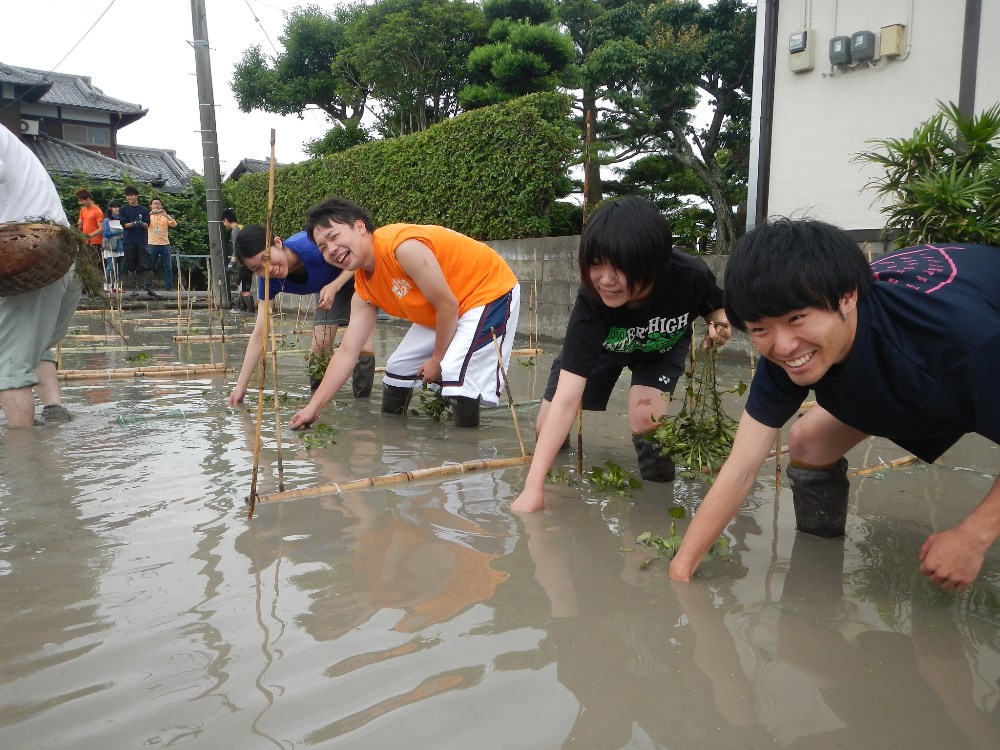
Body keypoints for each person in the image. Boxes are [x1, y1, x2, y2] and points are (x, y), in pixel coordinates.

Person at [669, 218, 1000, 593]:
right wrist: (682, 569)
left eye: (797, 319)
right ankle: (819, 563)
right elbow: (741, 468)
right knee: (809, 440)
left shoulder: (961, 341)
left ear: (848, 296)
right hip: (909, 359)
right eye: (760, 329)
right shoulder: (783, 352)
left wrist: (973, 536)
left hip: (963, 344)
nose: (784, 346)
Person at [511, 197, 730, 513]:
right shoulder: (592, 300)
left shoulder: (690, 275)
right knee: (546, 428)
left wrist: (720, 326)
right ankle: (557, 485)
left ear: (653, 262)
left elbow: (716, 308)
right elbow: (567, 398)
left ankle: (657, 500)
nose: (606, 279)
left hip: (659, 346)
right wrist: (533, 489)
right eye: (596, 263)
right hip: (605, 347)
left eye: (620, 266)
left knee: (647, 416)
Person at [288, 196, 520, 430]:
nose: (332, 250)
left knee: (453, 370)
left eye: (334, 236)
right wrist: (314, 407)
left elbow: (446, 305)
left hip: (486, 291)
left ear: (359, 227)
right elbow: (348, 351)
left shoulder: (401, 248)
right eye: (323, 248)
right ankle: (394, 445)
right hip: (447, 307)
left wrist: (437, 360)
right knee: (397, 368)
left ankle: (467, 452)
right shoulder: (363, 289)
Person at [227, 225, 376, 406]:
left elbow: (359, 255)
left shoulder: (311, 246)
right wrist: (241, 386)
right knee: (319, 346)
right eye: (258, 268)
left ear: (278, 242)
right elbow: (260, 332)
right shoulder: (267, 282)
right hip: (326, 290)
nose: (268, 269)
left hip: (356, 276)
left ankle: (362, 406)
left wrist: (335, 285)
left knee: (362, 345)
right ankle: (319, 403)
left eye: (266, 258)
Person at [0, 125, 81, 427]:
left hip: (25, 256)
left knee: (10, 367)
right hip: (61, 257)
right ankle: (53, 409)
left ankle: (24, 458)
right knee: (37, 345)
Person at [118, 185, 159, 300]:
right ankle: (134, 289)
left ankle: (150, 289)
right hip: (129, 241)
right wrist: (134, 223)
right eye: (128, 196)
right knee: (131, 265)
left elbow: (147, 226)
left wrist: (140, 223)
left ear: (136, 196)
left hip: (141, 241)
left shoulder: (144, 210)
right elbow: (125, 225)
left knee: (148, 264)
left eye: (131, 195)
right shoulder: (123, 210)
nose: (130, 197)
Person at [222, 207, 254, 313]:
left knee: (244, 290)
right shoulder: (241, 227)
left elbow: (237, 248)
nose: (224, 224)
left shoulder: (236, 231)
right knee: (240, 287)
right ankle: (243, 309)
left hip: (245, 264)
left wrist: (231, 263)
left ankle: (251, 312)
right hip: (247, 263)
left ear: (226, 220)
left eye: (223, 222)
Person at [146, 198, 177, 291]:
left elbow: (174, 224)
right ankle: (147, 286)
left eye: (158, 204)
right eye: (154, 204)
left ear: (161, 206)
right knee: (150, 266)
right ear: (151, 206)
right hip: (152, 243)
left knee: (168, 266)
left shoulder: (165, 216)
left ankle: (169, 287)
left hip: (165, 244)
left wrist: (167, 215)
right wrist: (149, 214)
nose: (156, 205)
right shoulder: (148, 216)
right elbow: (141, 222)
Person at [101, 200, 125, 293]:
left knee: (120, 267)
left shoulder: (123, 219)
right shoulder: (107, 220)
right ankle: (107, 286)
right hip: (112, 245)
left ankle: (117, 286)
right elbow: (106, 233)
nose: (117, 209)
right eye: (114, 207)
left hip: (122, 245)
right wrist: (119, 231)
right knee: (110, 266)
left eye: (118, 207)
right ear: (110, 208)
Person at [74, 189, 104, 261]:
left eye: (81, 201)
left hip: (95, 243)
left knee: (95, 263)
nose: (80, 203)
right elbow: (79, 224)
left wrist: (90, 235)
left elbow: (101, 228)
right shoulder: (83, 210)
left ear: (88, 199)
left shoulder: (97, 211)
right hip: (84, 241)